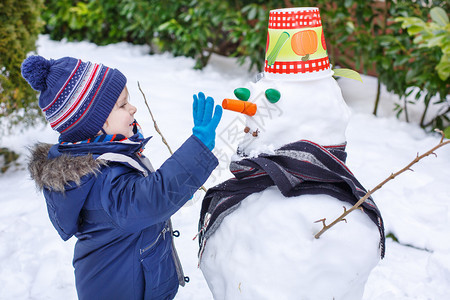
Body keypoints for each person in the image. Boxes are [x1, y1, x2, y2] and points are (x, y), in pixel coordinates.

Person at [22, 55, 222, 299]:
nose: (133, 108)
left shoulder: (105, 158)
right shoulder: (100, 180)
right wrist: (198, 148)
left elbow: (142, 196)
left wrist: (181, 188)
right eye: (122, 105)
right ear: (95, 124)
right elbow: (151, 200)